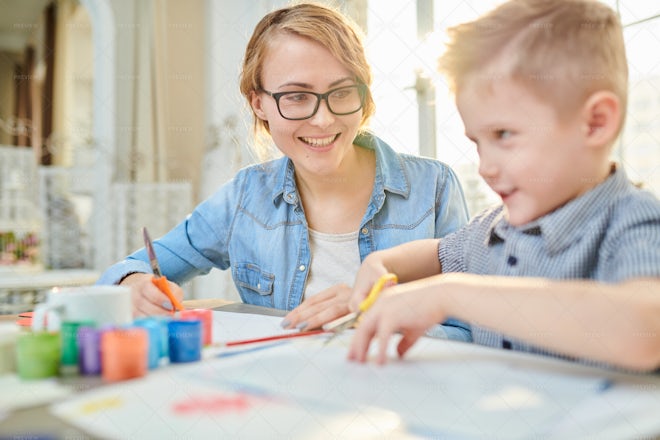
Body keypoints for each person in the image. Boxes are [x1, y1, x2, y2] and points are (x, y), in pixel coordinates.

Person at [97, 2, 470, 336]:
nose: (323, 119)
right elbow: (130, 269)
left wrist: (372, 316)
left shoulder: (433, 188)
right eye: (296, 96)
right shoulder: (244, 197)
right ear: (258, 103)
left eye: (341, 92)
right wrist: (133, 284)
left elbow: (471, 330)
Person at [346, 0, 660, 372]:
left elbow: (644, 330)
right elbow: (437, 252)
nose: (485, 167)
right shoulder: (494, 227)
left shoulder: (632, 219)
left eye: (504, 134)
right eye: (478, 142)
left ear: (595, 122)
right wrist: (379, 263)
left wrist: (451, 293)